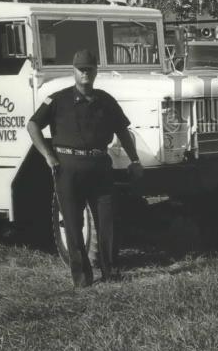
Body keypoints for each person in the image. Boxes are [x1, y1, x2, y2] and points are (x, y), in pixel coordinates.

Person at [26, 49, 143, 288]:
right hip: (68, 167)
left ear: (96, 71)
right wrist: (48, 155)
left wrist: (135, 159)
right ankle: (82, 278)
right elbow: (33, 125)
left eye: (89, 69)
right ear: (74, 71)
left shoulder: (106, 100)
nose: (85, 74)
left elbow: (122, 130)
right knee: (72, 223)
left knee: (108, 221)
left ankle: (111, 273)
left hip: (100, 166)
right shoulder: (58, 100)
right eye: (81, 69)